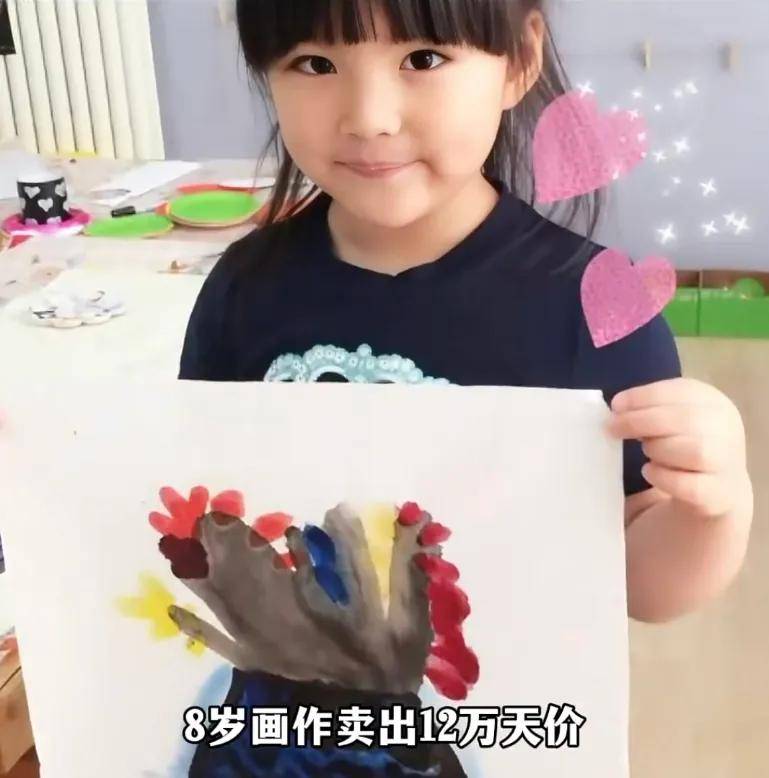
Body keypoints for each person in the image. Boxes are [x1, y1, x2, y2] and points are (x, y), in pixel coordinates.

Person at [179, 0, 752, 625]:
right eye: (315, 64)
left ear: (519, 60)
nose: (369, 119)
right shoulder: (242, 287)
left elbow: (641, 588)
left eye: (423, 59)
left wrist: (713, 509)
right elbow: (201, 503)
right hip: (291, 672)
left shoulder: (600, 311)